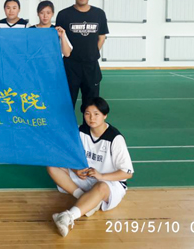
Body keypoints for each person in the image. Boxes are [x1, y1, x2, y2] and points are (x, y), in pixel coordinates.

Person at [48, 97, 133, 237]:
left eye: (96, 114)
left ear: (105, 115)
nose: (91, 118)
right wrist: (75, 170)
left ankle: (67, 217)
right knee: (52, 166)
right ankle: (85, 198)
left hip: (110, 183)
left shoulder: (115, 138)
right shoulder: (80, 131)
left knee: (101, 186)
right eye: (87, 113)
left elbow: (127, 173)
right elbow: (65, 155)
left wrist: (101, 176)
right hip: (85, 177)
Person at [56, 0, 109, 117]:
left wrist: (92, 53)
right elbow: (59, 39)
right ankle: (67, 128)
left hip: (91, 66)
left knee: (91, 103)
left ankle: (88, 128)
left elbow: (101, 37)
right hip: (70, 66)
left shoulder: (99, 14)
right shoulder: (63, 14)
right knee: (66, 103)